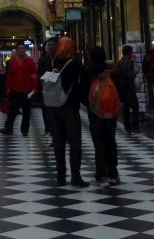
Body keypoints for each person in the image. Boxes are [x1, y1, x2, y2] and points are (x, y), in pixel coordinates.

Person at [45, 36, 87, 187]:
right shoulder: (74, 63)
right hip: (69, 107)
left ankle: (60, 175)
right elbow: (84, 79)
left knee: (59, 142)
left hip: (54, 106)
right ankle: (75, 176)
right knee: (74, 141)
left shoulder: (53, 61)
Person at [83, 45, 125, 186]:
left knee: (99, 142)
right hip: (111, 113)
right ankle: (113, 172)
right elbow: (121, 90)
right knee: (111, 141)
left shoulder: (90, 72)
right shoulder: (112, 71)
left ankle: (101, 175)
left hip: (95, 112)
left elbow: (83, 87)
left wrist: (87, 103)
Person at [0, 42, 37, 136]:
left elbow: (34, 75)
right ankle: (8, 129)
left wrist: (34, 87)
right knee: (12, 110)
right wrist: (8, 88)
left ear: (25, 50)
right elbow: (9, 76)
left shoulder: (30, 61)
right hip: (15, 90)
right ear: (17, 50)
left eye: (23, 48)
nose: (22, 50)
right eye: (20, 48)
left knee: (26, 111)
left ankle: (25, 130)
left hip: (26, 91)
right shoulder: (13, 61)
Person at [116, 44, 139, 134]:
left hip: (122, 87)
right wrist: (135, 72)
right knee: (135, 106)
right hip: (129, 87)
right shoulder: (129, 62)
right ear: (129, 52)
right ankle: (135, 126)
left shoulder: (120, 62)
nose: (132, 53)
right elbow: (129, 75)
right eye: (131, 52)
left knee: (126, 107)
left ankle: (127, 125)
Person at [37, 37, 57, 135]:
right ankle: (48, 128)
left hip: (56, 90)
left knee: (53, 112)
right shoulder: (43, 60)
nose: (48, 47)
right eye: (47, 45)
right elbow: (40, 74)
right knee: (47, 110)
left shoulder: (58, 59)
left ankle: (55, 133)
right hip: (46, 88)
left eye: (51, 45)